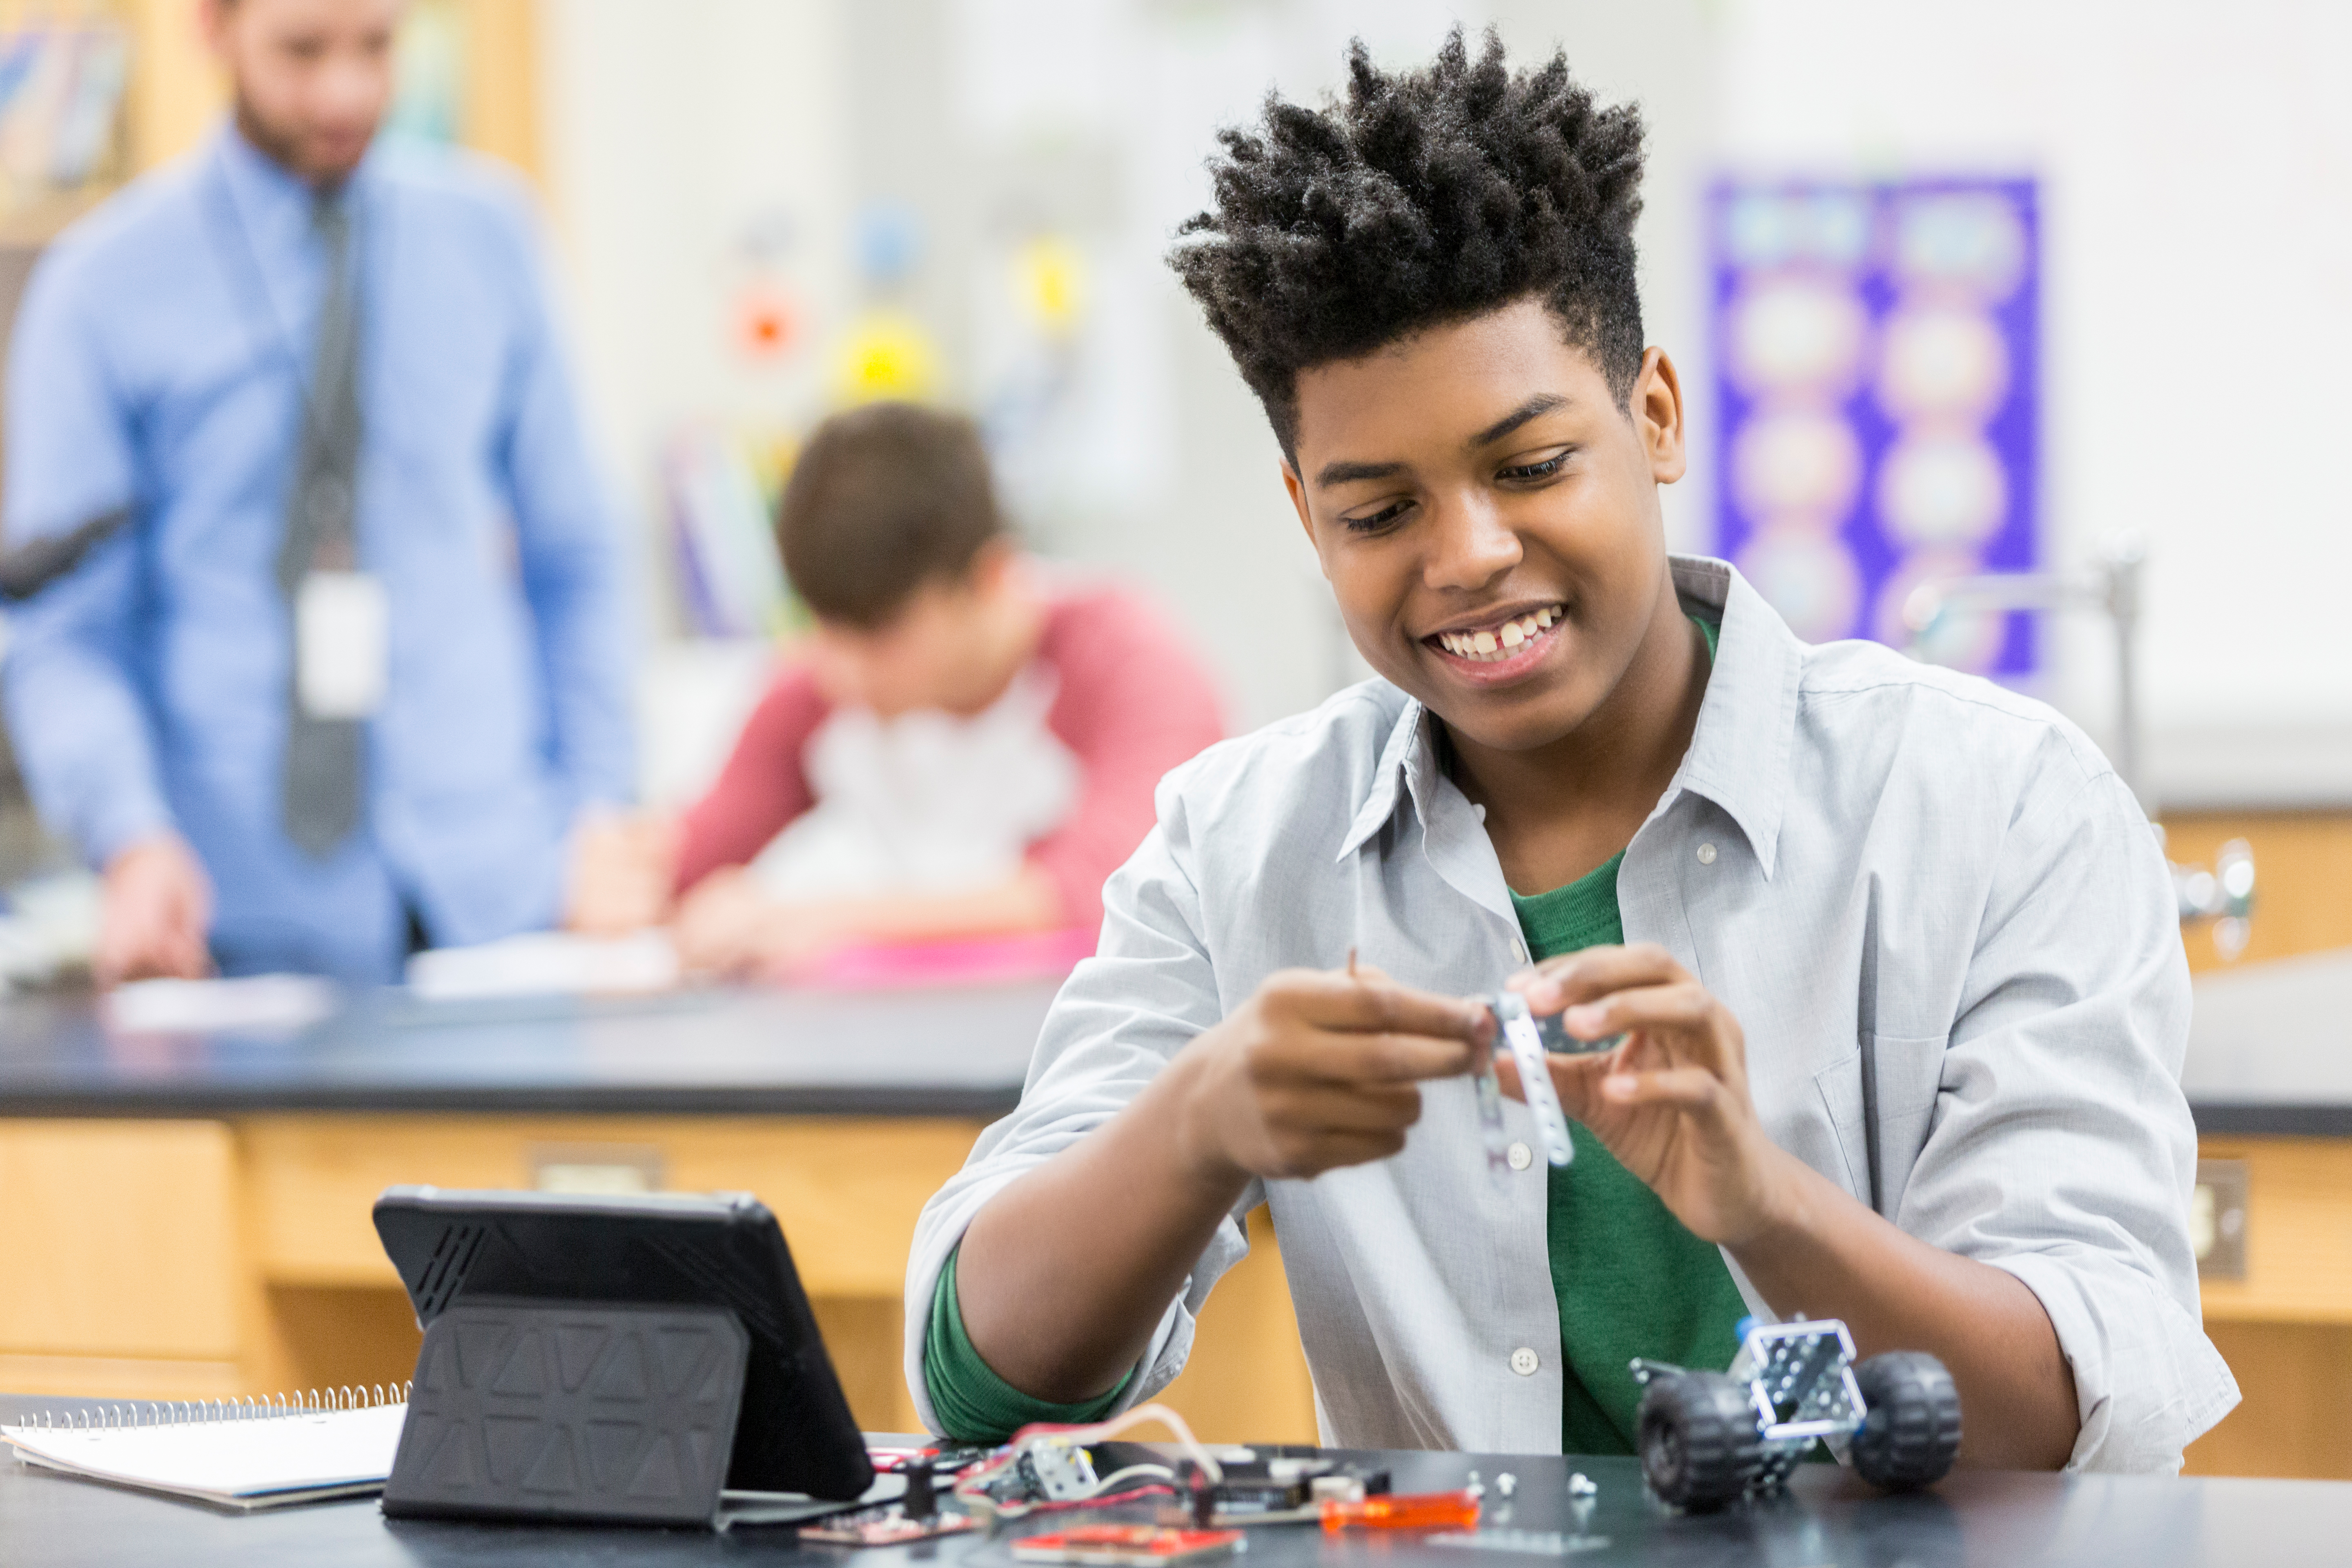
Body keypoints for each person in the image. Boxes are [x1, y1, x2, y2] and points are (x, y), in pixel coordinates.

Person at [904, 33, 2236, 1472]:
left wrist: (1764, 1204)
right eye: (1379, 513)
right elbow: (973, 1384)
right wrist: (1192, 1130)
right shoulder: (1236, 848)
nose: (1469, 555)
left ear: (1653, 416)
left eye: (1532, 466)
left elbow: (2070, 1426)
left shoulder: (2003, 806)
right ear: (1307, 518)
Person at [2, 0, 633, 983]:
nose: (346, 92)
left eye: (377, 47)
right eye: (301, 51)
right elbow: (63, 633)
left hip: (503, 900)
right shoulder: (100, 289)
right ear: (212, 29)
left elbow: (577, 554)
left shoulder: (491, 236)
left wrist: (603, 809)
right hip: (237, 924)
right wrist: (129, 835)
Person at [641, 401, 1223, 975]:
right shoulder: (817, 687)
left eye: (881, 632)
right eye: (823, 625)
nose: (842, 672)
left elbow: (1110, 891)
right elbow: (689, 857)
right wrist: (632, 874)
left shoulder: (1130, 661)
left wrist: (820, 920)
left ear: (989, 577)